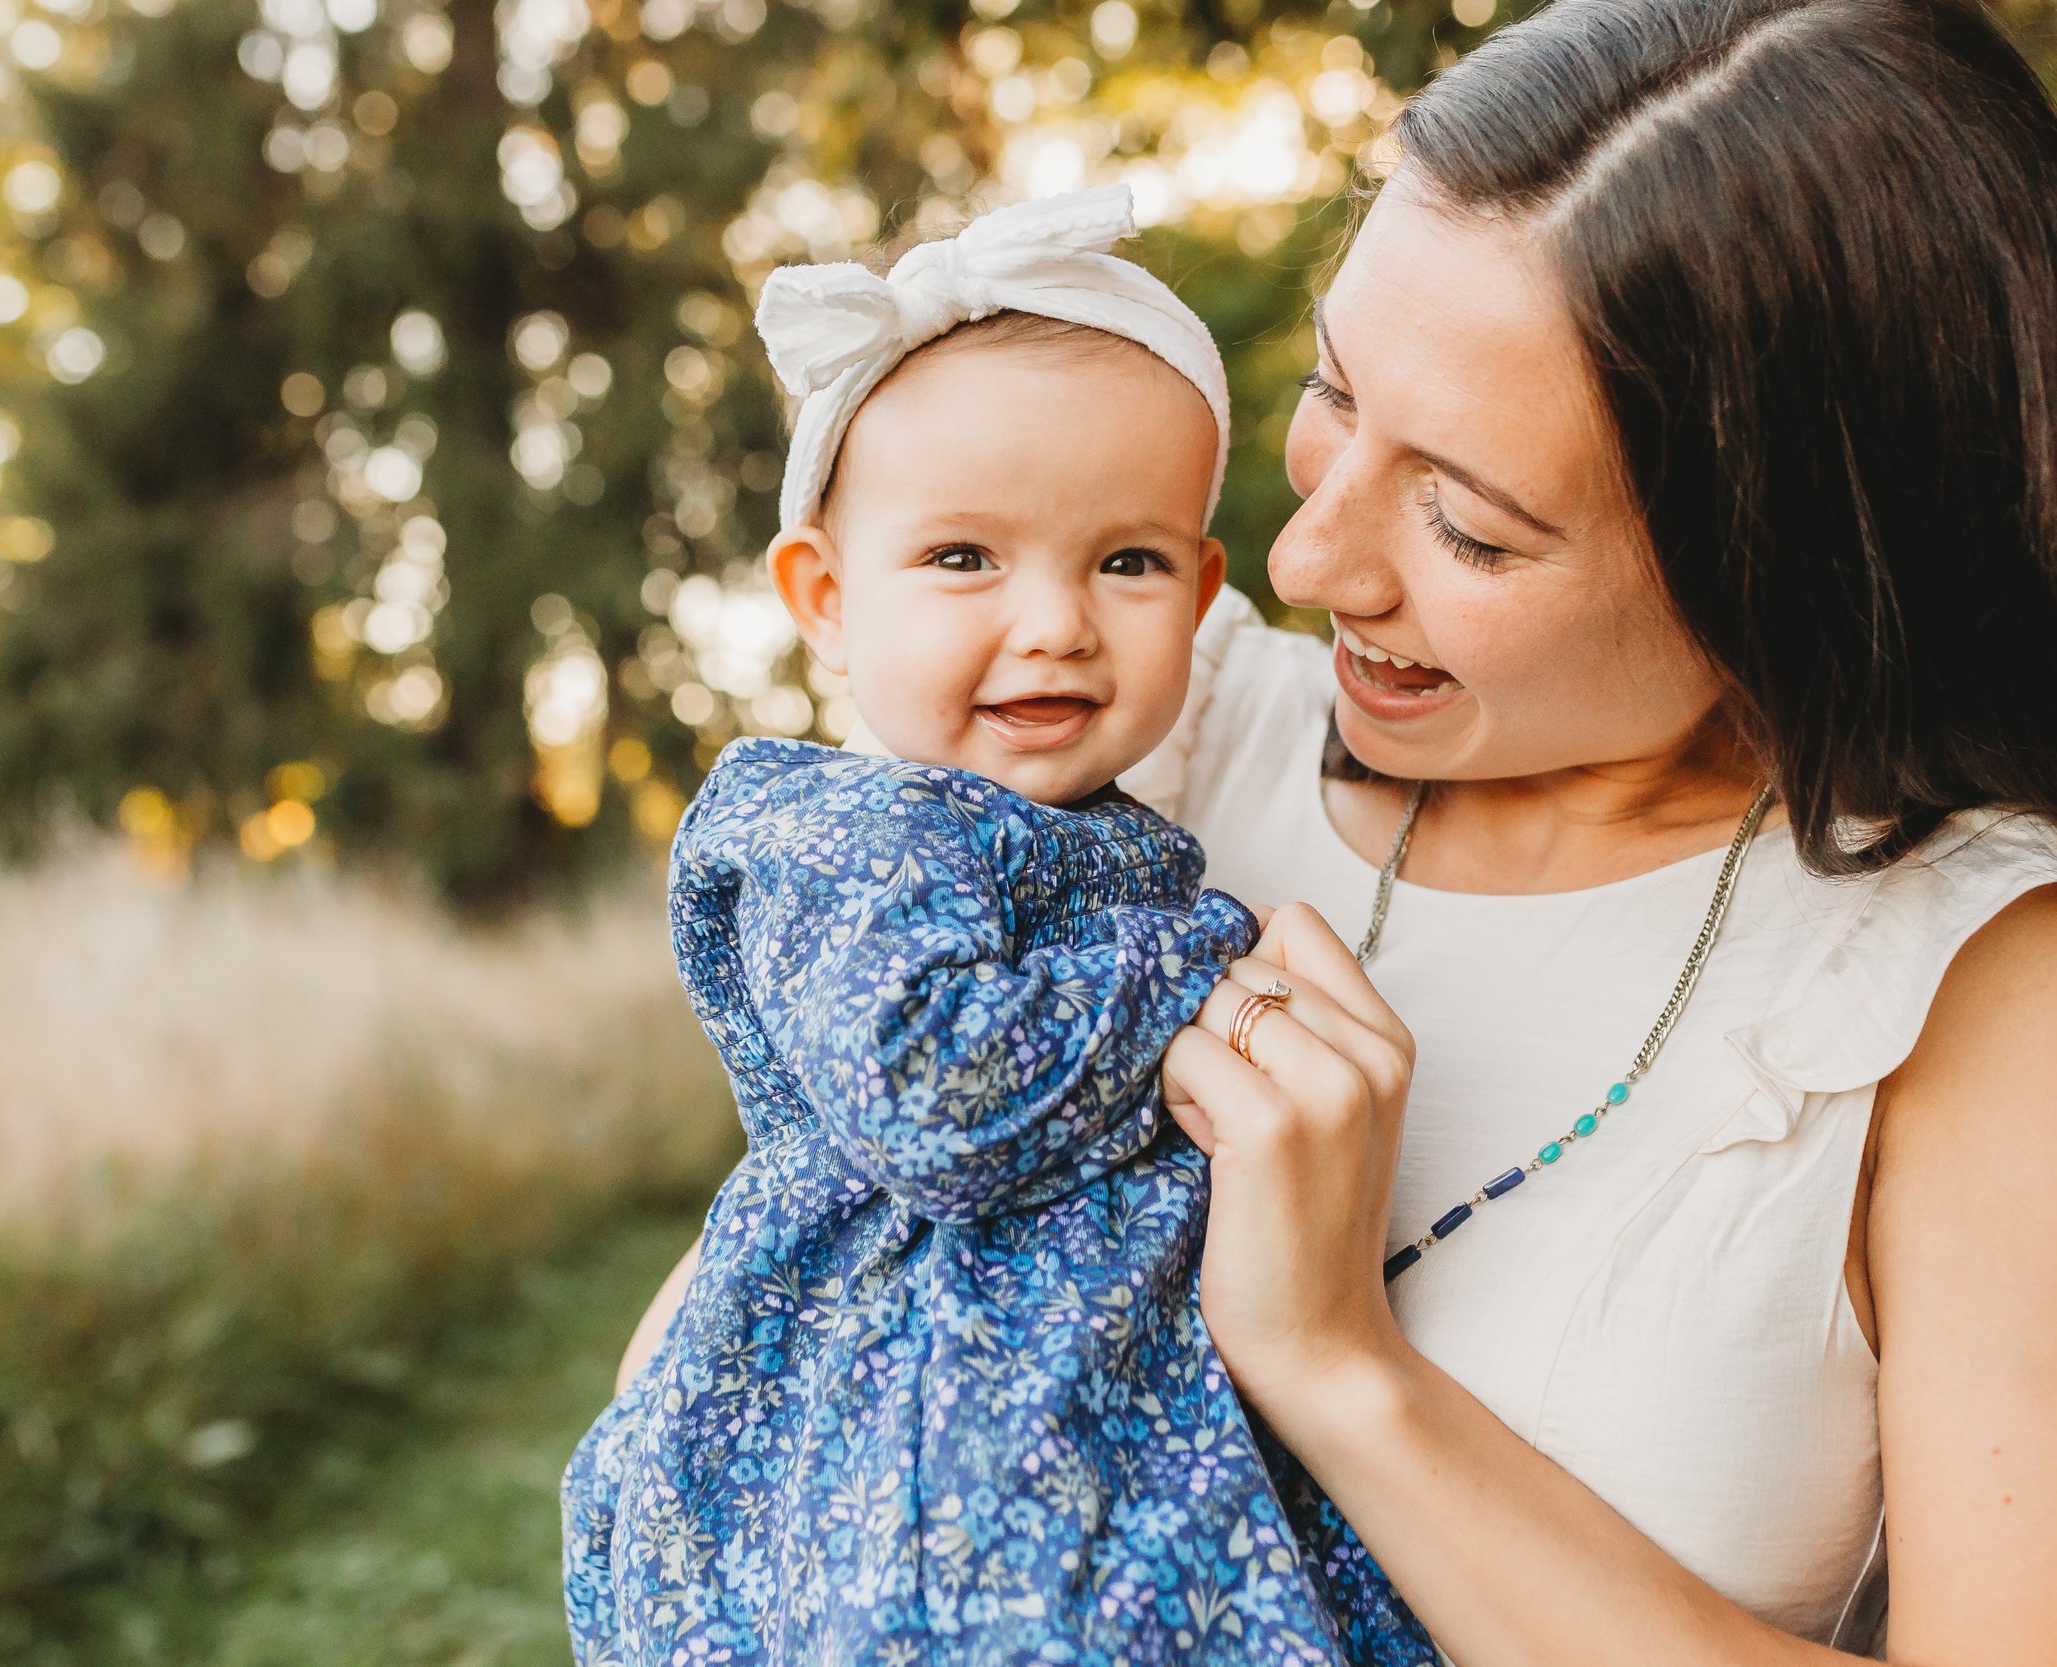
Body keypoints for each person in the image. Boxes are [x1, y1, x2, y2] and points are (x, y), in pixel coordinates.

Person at [614, 2, 2057, 1661]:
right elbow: (766, 1305)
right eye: (1332, 389)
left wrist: (1335, 1362)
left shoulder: (1972, 986)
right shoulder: (1146, 722)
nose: (1306, 561)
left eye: (1467, 524)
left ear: (1788, 575)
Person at [561, 188, 1433, 1667]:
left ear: (1205, 590)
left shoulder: (1098, 830)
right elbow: (938, 1095)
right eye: (965, 558)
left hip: (1081, 1412)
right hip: (897, 1432)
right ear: (824, 600)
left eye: (1128, 561)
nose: (1057, 623)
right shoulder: (841, 835)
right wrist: (1197, 964)